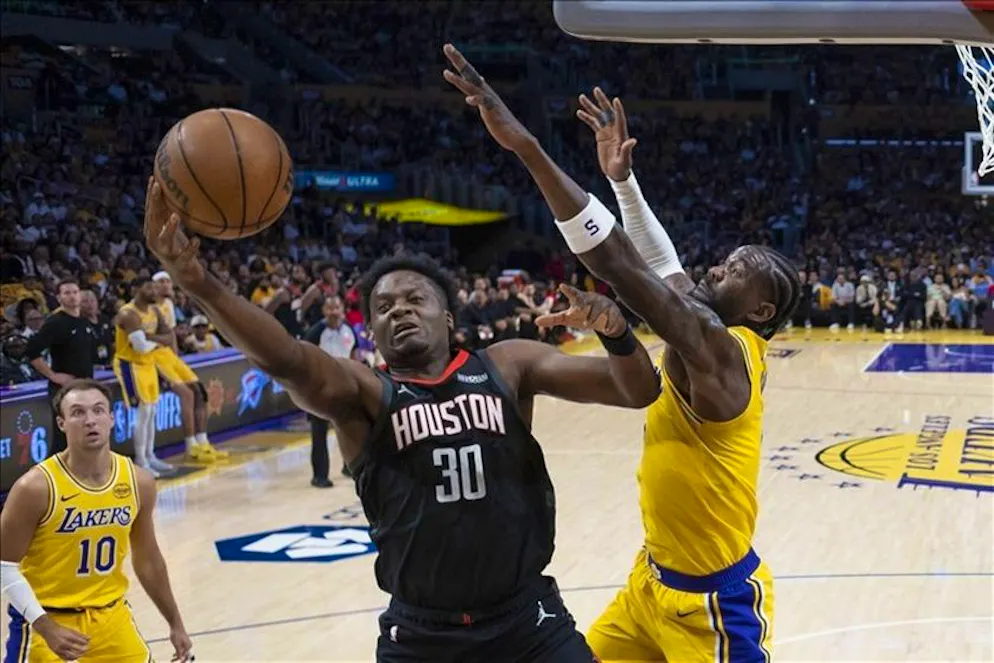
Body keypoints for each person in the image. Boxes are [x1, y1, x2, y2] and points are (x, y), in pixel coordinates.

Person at [143, 173, 660, 663]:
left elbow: (637, 390)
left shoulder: (508, 365)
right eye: (384, 307)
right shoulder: (365, 393)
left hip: (528, 622)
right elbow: (288, 360)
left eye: (415, 299)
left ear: (448, 317)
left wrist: (616, 333)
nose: (400, 310)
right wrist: (199, 283)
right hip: (422, 637)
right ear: (371, 330)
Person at [444, 46, 802, 662]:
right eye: (727, 258)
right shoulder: (704, 332)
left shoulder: (725, 354)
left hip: (713, 608)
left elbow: (622, 266)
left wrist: (528, 148)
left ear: (761, 311)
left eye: (738, 270)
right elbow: (662, 264)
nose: (720, 267)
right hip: (650, 585)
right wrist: (622, 182)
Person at [0, 378, 193, 662]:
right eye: (78, 412)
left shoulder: (138, 481)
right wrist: (46, 626)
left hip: (111, 616)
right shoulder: (35, 487)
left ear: (112, 418)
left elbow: (148, 559)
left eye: (98, 410)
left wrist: (175, 622)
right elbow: (4, 566)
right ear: (62, 423)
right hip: (47, 619)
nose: (90, 420)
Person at [151, 273, 227, 463]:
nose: (166, 285)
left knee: (200, 392)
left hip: (169, 356)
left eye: (168, 281)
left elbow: (171, 336)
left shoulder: (169, 305)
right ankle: (190, 446)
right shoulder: (149, 308)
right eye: (161, 282)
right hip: (154, 356)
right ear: (153, 286)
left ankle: (203, 442)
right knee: (187, 395)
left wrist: (176, 359)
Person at [25, 279, 99, 456]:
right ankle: (55, 472)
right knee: (64, 437)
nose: (72, 296)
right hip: (64, 389)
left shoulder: (84, 321)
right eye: (67, 293)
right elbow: (32, 351)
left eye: (75, 292)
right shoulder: (55, 322)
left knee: (84, 435)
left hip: (85, 386)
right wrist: (53, 375)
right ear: (59, 297)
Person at [112, 277, 176, 478]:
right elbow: (140, 346)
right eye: (149, 288)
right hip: (130, 364)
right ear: (135, 290)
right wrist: (158, 342)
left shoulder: (155, 310)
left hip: (148, 364)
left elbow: (170, 337)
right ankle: (141, 460)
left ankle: (150, 455)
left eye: (155, 288)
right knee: (144, 411)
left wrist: (151, 338)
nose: (155, 291)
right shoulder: (128, 313)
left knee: (152, 410)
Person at [302, 295, 357, 488]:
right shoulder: (315, 332)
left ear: (342, 309)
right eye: (330, 308)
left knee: (349, 428)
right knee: (319, 432)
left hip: (344, 385)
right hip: (320, 387)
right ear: (324, 311)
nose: (334, 312)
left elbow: (354, 353)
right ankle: (320, 475)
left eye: (337, 307)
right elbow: (305, 359)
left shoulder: (349, 329)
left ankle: (349, 466)